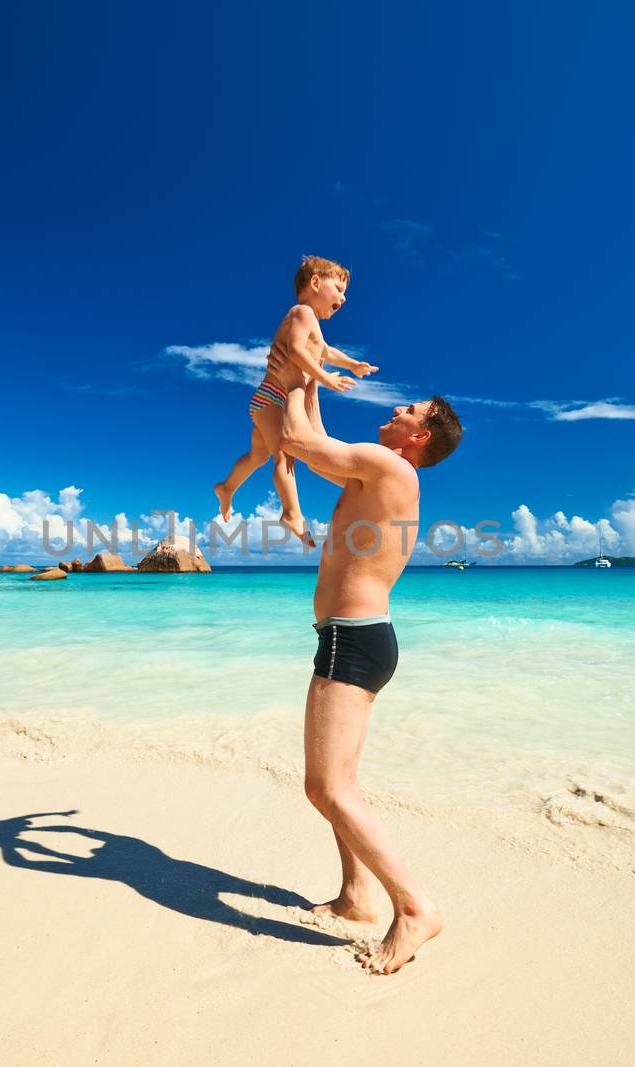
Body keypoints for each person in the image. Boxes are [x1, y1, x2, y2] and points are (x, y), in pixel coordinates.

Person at [277, 385, 463, 974]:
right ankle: (355, 896)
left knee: (325, 788)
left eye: (407, 411)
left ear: (420, 436)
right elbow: (317, 434)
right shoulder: (380, 477)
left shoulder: (386, 466)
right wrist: (306, 380)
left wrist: (287, 373)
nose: (394, 412)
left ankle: (413, 909)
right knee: (343, 785)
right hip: (363, 637)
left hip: (352, 640)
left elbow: (298, 441)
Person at [213, 256, 378, 547]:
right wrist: (326, 378)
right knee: (283, 453)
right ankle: (291, 513)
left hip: (275, 399)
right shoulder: (302, 312)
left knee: (257, 456)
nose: (343, 297)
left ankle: (226, 488)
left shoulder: (311, 321)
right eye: (338, 288)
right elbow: (296, 350)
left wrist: (352, 364)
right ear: (315, 283)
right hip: (272, 398)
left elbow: (324, 350)